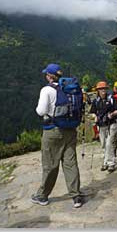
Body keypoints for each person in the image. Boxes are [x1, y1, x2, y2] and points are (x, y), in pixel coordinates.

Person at [32, 63, 83, 208]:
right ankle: (76, 196)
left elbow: (41, 111)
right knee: (70, 163)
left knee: (50, 164)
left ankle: (42, 196)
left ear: (49, 76)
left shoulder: (47, 90)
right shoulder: (70, 89)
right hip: (71, 130)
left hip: (53, 130)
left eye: (46, 74)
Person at [89, 81, 117, 173]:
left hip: (112, 123)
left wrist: (112, 114)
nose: (103, 91)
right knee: (103, 144)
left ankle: (111, 163)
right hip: (101, 125)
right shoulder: (96, 101)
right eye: (101, 89)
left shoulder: (111, 99)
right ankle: (105, 162)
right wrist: (95, 117)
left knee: (108, 143)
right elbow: (93, 112)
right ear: (98, 91)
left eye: (104, 89)